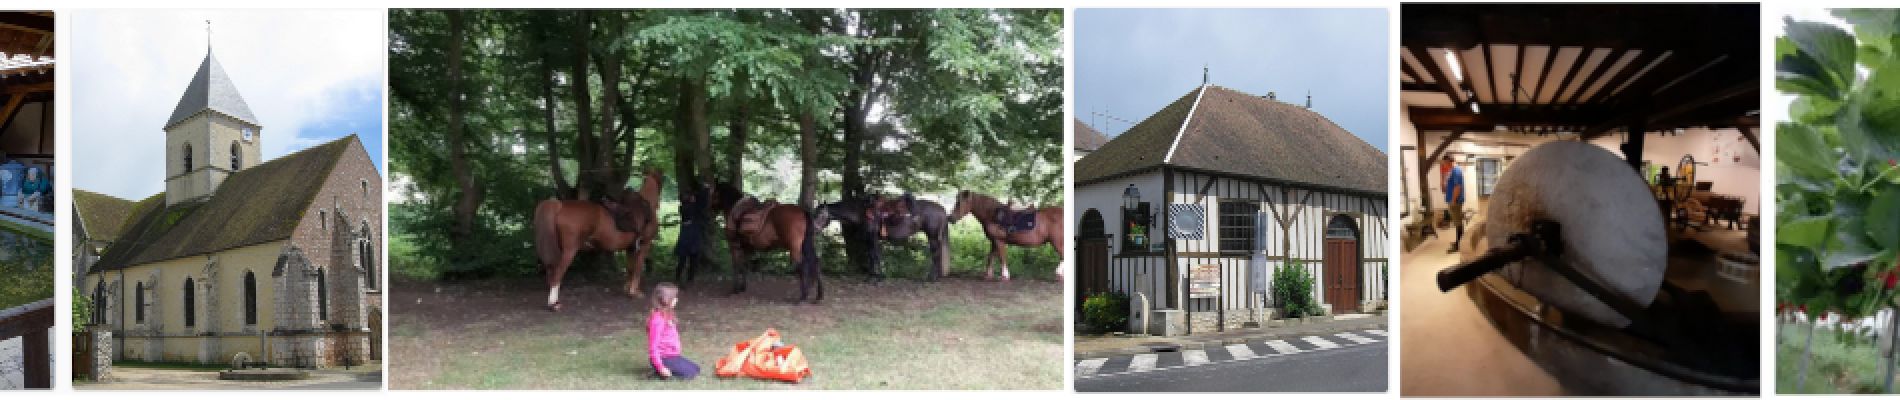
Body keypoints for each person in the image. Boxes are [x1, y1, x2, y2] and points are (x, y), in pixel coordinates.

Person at [648, 283, 699, 380]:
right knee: (690, 374)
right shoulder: (657, 320)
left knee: (696, 369)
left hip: (672, 356)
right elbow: (653, 347)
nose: (677, 300)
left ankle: (666, 370)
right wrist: (660, 367)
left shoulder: (668, 314)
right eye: (674, 297)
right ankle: (660, 373)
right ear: (666, 300)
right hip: (664, 358)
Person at [1443, 158, 1466, 253]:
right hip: (1453, 200)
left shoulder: (1456, 171)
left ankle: (1459, 245)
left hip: (1455, 201)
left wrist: (1453, 200)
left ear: (1448, 161)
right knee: (1457, 222)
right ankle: (1459, 242)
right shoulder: (1453, 171)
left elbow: (1457, 187)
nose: (1444, 165)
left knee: (1458, 223)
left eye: (1444, 163)